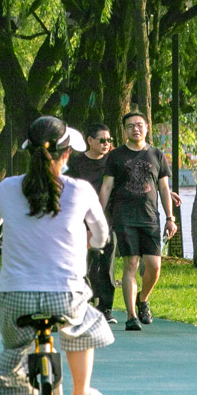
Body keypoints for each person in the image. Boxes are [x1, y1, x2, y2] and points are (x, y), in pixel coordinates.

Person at [0, 115, 117, 395]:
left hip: (17, 297)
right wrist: (89, 241)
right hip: (66, 296)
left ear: (27, 152)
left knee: (14, 349)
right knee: (82, 326)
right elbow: (102, 235)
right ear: (68, 153)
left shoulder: (7, 188)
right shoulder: (80, 190)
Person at [99, 111, 174, 332]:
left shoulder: (157, 155)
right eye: (130, 126)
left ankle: (143, 299)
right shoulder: (116, 156)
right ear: (124, 130)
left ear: (147, 128)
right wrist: (96, 217)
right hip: (124, 218)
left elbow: (163, 188)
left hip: (150, 218)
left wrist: (170, 217)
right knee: (131, 264)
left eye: (139, 125)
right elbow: (106, 187)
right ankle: (131, 316)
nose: (136, 129)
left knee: (154, 266)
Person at [66, 123, 117, 317]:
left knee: (106, 264)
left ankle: (106, 308)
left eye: (109, 140)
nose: (106, 144)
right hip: (80, 220)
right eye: (102, 140)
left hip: (107, 220)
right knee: (83, 263)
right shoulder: (76, 163)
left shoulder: (112, 162)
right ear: (90, 141)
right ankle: (84, 301)